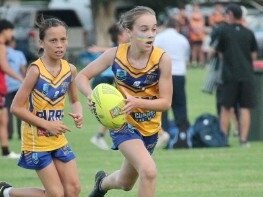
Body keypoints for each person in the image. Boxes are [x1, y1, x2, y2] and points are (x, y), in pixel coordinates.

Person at [76, 6, 172, 197]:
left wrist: (138, 103)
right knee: (149, 171)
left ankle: (102, 183)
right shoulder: (115, 55)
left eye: (154, 29)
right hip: (122, 124)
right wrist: (93, 97)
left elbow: (166, 103)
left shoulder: (162, 59)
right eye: (143, 29)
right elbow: (81, 77)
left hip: (150, 128)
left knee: (125, 182)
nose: (150, 34)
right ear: (128, 31)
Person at [0, 16, 83, 197]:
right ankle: (7, 192)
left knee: (74, 189)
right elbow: (16, 108)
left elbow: (75, 100)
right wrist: (47, 125)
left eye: (63, 39)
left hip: (57, 138)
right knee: (56, 194)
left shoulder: (70, 70)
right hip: (36, 141)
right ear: (41, 43)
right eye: (53, 40)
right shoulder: (35, 70)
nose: (59, 45)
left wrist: (78, 113)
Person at [215, 4, 258, 147]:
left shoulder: (224, 32)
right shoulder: (249, 33)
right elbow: (253, 56)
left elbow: (220, 54)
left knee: (226, 108)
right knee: (245, 108)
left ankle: (223, 139)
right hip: (247, 76)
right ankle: (243, 140)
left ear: (232, 15)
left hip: (229, 76)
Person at [88, 23, 129, 150]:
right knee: (116, 110)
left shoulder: (120, 48)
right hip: (104, 82)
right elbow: (110, 51)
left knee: (117, 111)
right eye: (125, 32)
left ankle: (101, 136)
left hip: (108, 81)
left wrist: (99, 48)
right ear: (120, 36)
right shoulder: (117, 50)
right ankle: (107, 137)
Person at [154, 16, 191, 149]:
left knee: (162, 105)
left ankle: (164, 133)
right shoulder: (183, 39)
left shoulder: (160, 38)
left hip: (163, 74)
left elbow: (153, 56)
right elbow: (186, 57)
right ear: (177, 26)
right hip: (180, 73)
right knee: (180, 104)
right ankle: (183, 133)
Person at [0, 19, 24, 159]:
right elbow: (4, 66)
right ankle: (6, 151)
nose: (12, 34)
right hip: (1, 86)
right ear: (5, 30)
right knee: (3, 119)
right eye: (11, 30)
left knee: (3, 119)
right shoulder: (1, 45)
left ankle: (5, 150)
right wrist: (21, 78)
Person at [5, 36, 27, 140]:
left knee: (7, 111)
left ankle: (8, 134)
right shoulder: (19, 54)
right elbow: (23, 70)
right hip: (19, 85)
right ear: (13, 42)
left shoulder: (2, 53)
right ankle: (21, 134)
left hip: (6, 86)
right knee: (20, 110)